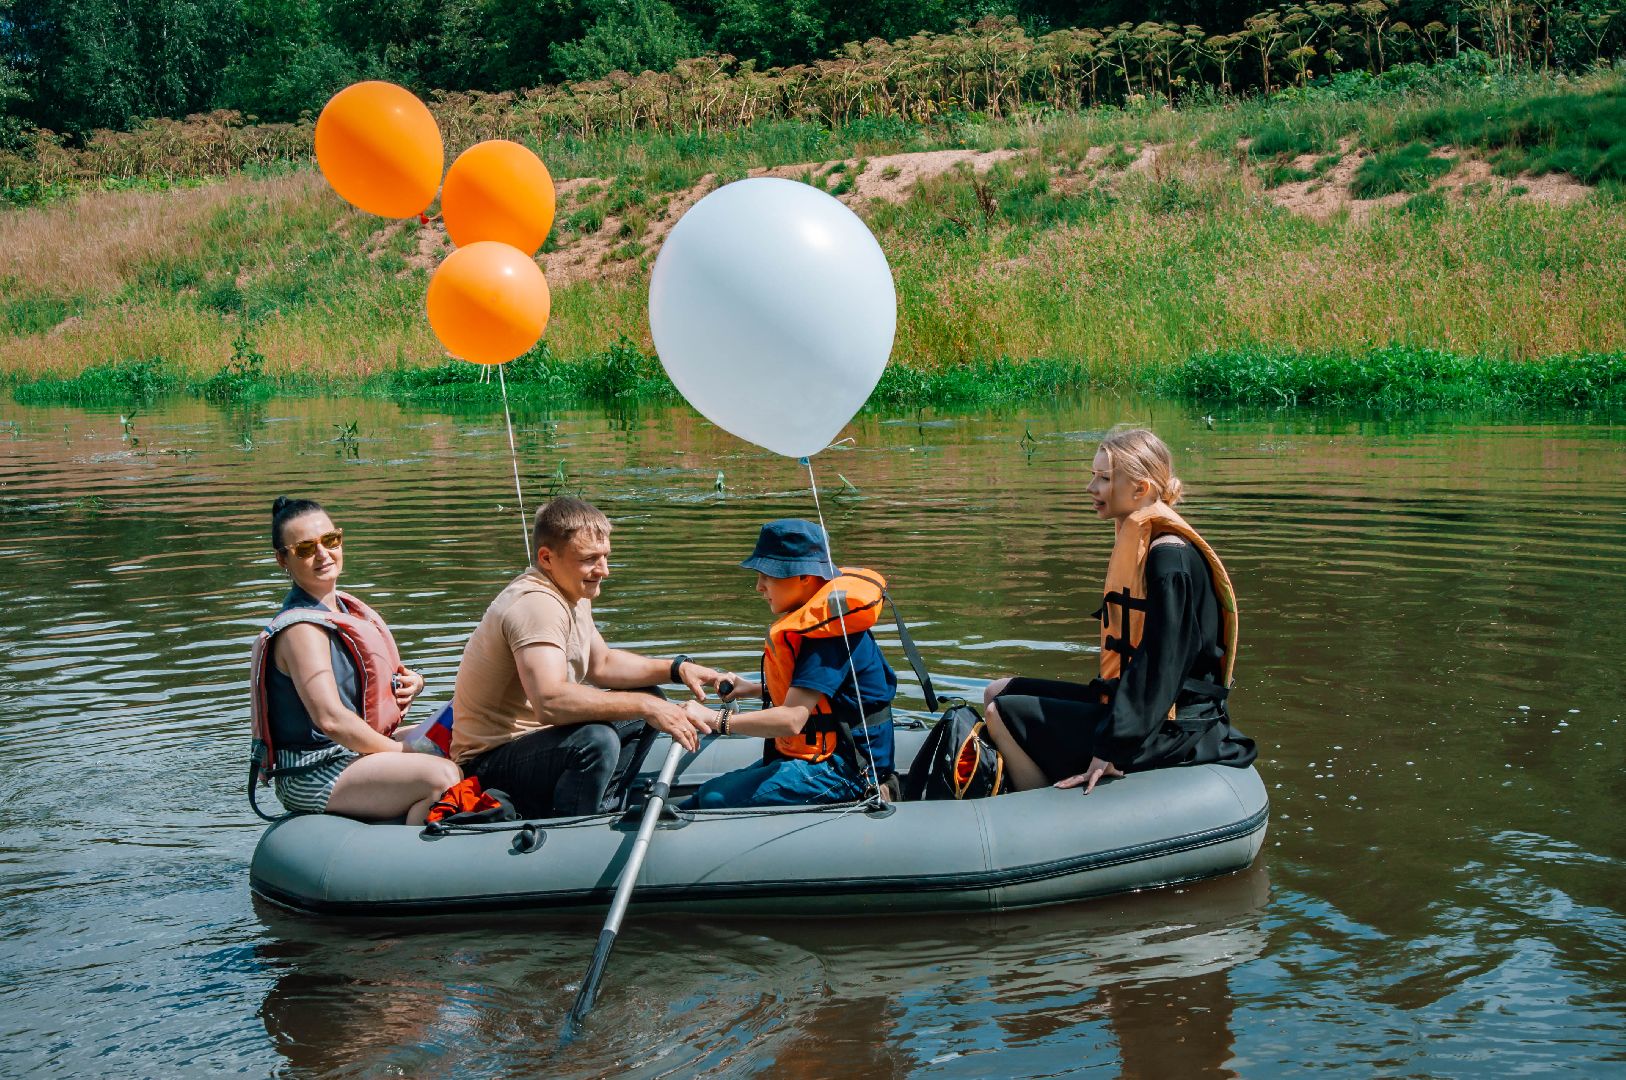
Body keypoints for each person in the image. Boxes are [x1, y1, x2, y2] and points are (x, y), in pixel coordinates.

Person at [981, 428, 1256, 794]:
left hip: (1174, 728)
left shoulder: (1168, 558)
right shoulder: (1147, 543)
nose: (1091, 488)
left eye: (1105, 478)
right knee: (995, 692)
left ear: (1140, 489)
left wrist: (1109, 747)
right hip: (1134, 707)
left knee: (1000, 714)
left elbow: (1161, 668)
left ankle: (1039, 810)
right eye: (1092, 475)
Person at [450, 496, 728, 819]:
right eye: (590, 559)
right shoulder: (536, 605)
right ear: (547, 558)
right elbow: (549, 701)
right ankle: (572, 827)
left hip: (534, 747)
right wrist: (647, 707)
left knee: (647, 697)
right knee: (596, 740)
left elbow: (602, 664)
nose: (604, 571)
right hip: (488, 763)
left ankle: (603, 810)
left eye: (606, 557)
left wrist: (677, 669)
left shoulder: (572, 592)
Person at [251, 497, 461, 826]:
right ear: (283, 559)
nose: (323, 554)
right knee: (441, 775)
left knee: (465, 731)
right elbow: (332, 720)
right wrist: (404, 754)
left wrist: (413, 684)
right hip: (313, 770)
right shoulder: (301, 630)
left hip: (351, 752)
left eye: (330, 540)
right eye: (306, 548)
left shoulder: (343, 611)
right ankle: (410, 858)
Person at [687, 519, 898, 809]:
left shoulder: (828, 637)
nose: (759, 587)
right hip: (829, 757)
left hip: (848, 771)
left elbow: (791, 719)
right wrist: (750, 689)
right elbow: (821, 693)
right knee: (708, 793)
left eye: (768, 576)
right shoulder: (820, 625)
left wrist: (716, 720)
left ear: (804, 577)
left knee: (712, 797)